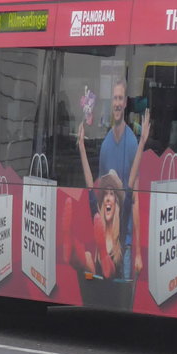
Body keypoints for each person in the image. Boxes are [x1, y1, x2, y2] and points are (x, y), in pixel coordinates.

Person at [65, 107, 151, 280]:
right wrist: (81, 147)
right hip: (101, 284)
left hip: (118, 277)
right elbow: (90, 186)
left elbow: (132, 178)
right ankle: (73, 247)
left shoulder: (124, 214)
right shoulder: (98, 217)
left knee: (103, 265)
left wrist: (141, 143)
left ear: (117, 201)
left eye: (112, 194)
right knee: (88, 257)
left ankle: (104, 260)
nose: (108, 198)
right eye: (106, 195)